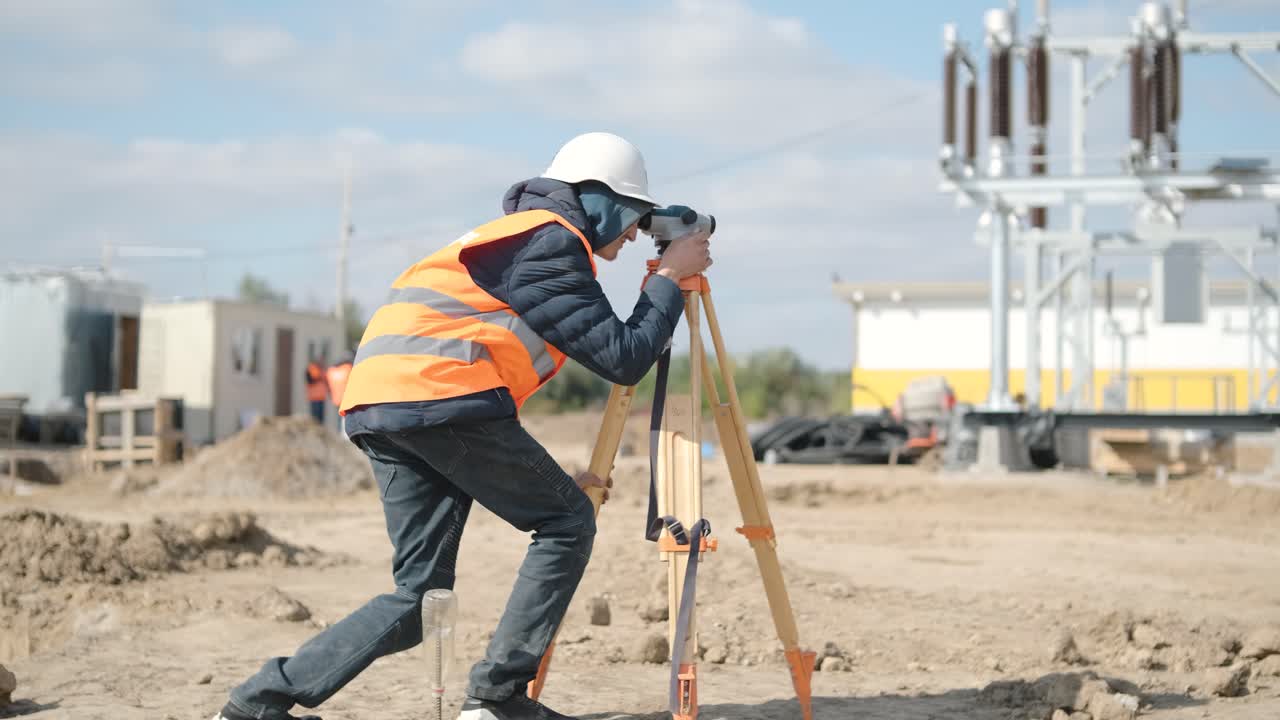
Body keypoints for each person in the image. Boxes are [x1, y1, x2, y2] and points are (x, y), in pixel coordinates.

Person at [213, 132, 712, 720]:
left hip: (384, 406)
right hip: (440, 401)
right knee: (566, 522)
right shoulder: (550, 244)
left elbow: (485, 357)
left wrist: (542, 473)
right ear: (598, 196)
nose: (633, 234)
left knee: (418, 599)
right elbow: (625, 357)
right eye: (632, 216)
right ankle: (498, 698)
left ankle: (256, 705)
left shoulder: (509, 240)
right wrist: (669, 281)